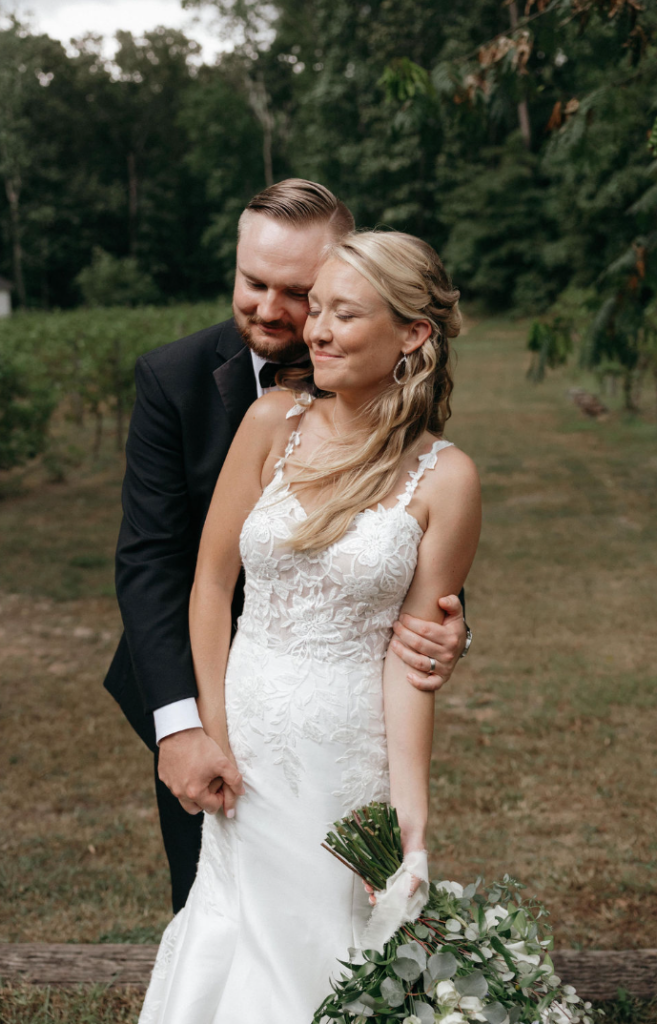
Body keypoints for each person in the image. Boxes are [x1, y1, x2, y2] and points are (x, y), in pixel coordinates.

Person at [137, 230, 481, 1023]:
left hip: (344, 754)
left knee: (328, 947)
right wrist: (212, 731)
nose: (315, 330)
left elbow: (410, 658)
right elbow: (209, 582)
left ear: (413, 334)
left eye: (342, 314)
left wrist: (410, 819)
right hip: (245, 745)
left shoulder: (446, 477)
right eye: (314, 310)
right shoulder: (271, 423)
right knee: (231, 935)